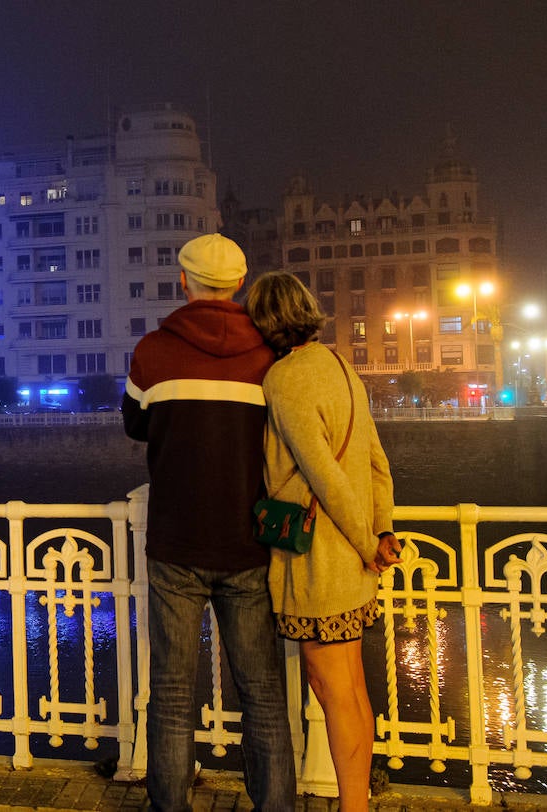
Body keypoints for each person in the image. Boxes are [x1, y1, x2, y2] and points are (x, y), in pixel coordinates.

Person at [121, 234, 296, 811]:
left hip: (174, 540)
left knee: (171, 693)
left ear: (183, 283)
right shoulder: (271, 353)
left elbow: (136, 425)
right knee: (263, 692)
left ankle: (169, 804)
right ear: (241, 285)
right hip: (249, 541)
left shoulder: (153, 351)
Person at [246, 272, 400, 811]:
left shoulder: (283, 379)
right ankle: (356, 801)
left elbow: (322, 477)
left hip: (322, 558)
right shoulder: (341, 365)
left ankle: (353, 805)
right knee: (353, 689)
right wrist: (382, 531)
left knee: (332, 688)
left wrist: (364, 543)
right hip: (354, 560)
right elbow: (376, 460)